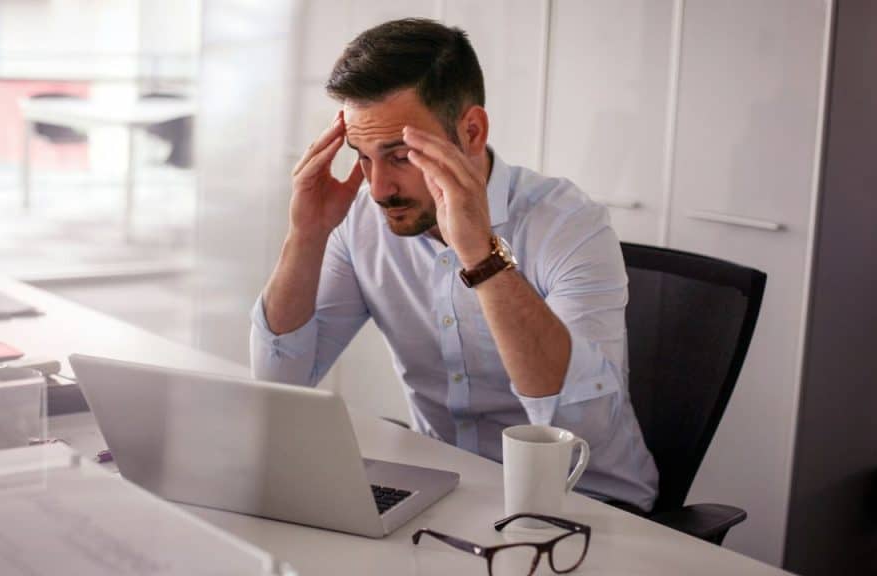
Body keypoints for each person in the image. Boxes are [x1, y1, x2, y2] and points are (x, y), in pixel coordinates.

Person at [250, 18, 658, 511]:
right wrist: (306, 235)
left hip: (585, 503)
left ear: (470, 131)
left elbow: (576, 429)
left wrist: (480, 255)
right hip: (447, 492)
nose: (378, 189)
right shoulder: (362, 219)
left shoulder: (569, 224)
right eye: (362, 157)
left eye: (400, 156)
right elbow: (280, 386)